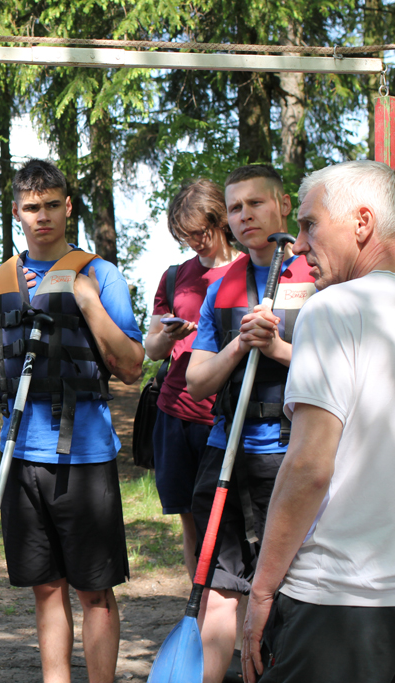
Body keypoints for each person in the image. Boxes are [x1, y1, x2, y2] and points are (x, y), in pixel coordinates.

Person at [0, 159, 145, 683]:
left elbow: (132, 366)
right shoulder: (1, 278)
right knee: (46, 588)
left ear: (67, 207)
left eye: (50, 205)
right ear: (16, 212)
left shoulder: (100, 274)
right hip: (21, 455)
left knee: (94, 590)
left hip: (84, 455)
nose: (41, 216)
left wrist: (87, 301)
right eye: (31, 207)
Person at [240, 160, 395, 682]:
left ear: (362, 223)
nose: (299, 245)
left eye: (310, 224)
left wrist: (262, 589)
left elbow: (309, 466)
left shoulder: (333, 309)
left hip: (339, 602)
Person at [185, 165, 315, 683]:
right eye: (235, 208)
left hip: (289, 453)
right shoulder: (221, 287)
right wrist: (240, 344)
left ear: (283, 206)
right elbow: (197, 381)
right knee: (221, 585)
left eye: (255, 203)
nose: (244, 215)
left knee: (284, 588)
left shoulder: (318, 278)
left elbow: (344, 373)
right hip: (226, 453)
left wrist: (277, 347)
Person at [144, 181, 240, 579]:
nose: (195, 242)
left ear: (221, 220)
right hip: (175, 412)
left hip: (225, 415)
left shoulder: (249, 271)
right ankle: (198, 604)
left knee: (231, 522)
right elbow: (151, 348)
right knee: (190, 520)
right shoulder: (174, 276)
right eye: (186, 235)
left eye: (201, 232)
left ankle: (235, 604)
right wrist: (169, 335)